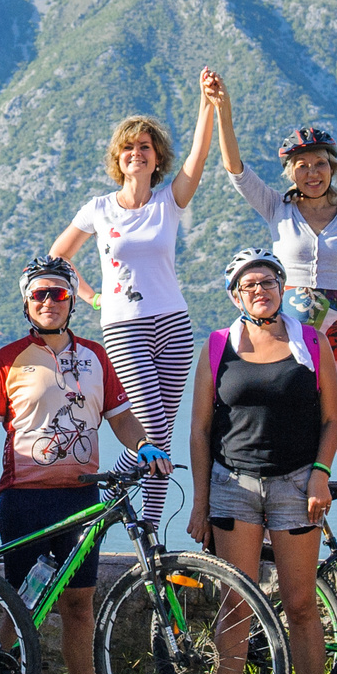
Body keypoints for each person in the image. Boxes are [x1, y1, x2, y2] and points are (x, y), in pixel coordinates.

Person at [0, 255, 172, 674]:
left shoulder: (97, 355)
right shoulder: (7, 357)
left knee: (80, 606)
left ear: (72, 299)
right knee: (21, 608)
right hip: (24, 498)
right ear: (26, 301)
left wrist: (143, 444)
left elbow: (120, 416)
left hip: (81, 497)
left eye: (58, 293)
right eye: (39, 294)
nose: (49, 302)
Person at [203, 73, 337, 531]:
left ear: (332, 168)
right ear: (290, 172)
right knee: (288, 428)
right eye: (302, 166)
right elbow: (235, 167)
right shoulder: (277, 208)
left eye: (320, 164)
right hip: (285, 332)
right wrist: (223, 109)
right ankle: (283, 520)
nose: (312, 173)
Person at [184, 248, 337, 674]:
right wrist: (200, 502)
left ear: (281, 286)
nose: (260, 290)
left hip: (297, 484)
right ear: (235, 295)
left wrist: (320, 473)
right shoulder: (217, 346)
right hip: (234, 485)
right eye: (249, 285)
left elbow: (333, 421)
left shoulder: (311, 342)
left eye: (268, 281)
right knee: (236, 605)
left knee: (300, 604)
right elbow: (202, 429)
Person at [48, 91, 215, 530]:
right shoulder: (99, 208)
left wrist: (207, 106)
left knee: (162, 435)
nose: (136, 153)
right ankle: (104, 506)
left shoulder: (169, 202)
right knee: (153, 434)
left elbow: (198, 156)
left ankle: (149, 529)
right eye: (128, 147)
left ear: (156, 156)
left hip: (175, 325)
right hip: (124, 326)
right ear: (117, 158)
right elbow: (58, 256)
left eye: (144, 146)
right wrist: (90, 296)